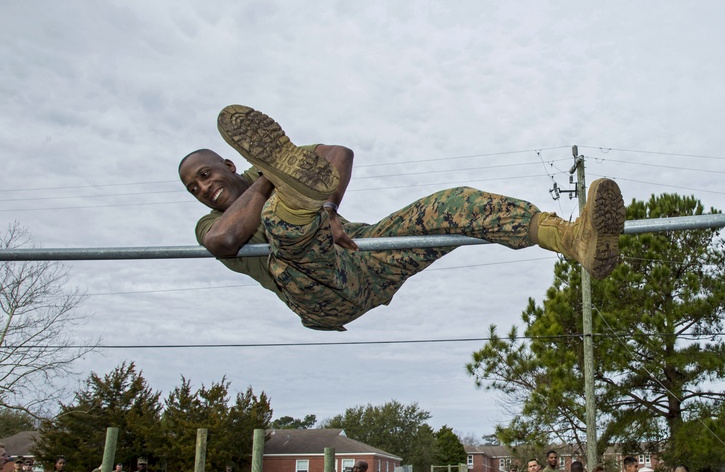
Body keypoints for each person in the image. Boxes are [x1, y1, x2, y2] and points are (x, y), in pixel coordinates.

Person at [180, 105, 627, 332]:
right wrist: (271, 181)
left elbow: (339, 154)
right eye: (192, 188)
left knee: (452, 204)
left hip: (364, 258)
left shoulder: (268, 177)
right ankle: (298, 204)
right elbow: (223, 240)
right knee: (284, 222)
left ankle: (572, 239)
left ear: (229, 164)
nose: (202, 188)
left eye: (205, 174)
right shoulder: (209, 226)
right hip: (317, 293)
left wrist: (328, 208)